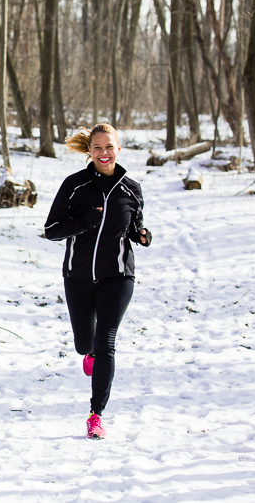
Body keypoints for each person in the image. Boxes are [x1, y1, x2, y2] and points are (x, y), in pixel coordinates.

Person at [43, 123, 151, 440]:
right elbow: (51, 230)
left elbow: (135, 227)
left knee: (106, 343)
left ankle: (96, 415)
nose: (104, 153)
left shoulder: (132, 189)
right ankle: (88, 353)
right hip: (77, 274)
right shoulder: (75, 186)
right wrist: (85, 221)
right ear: (89, 152)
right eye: (98, 148)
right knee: (84, 344)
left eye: (109, 147)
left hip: (118, 275)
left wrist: (142, 236)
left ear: (119, 149)